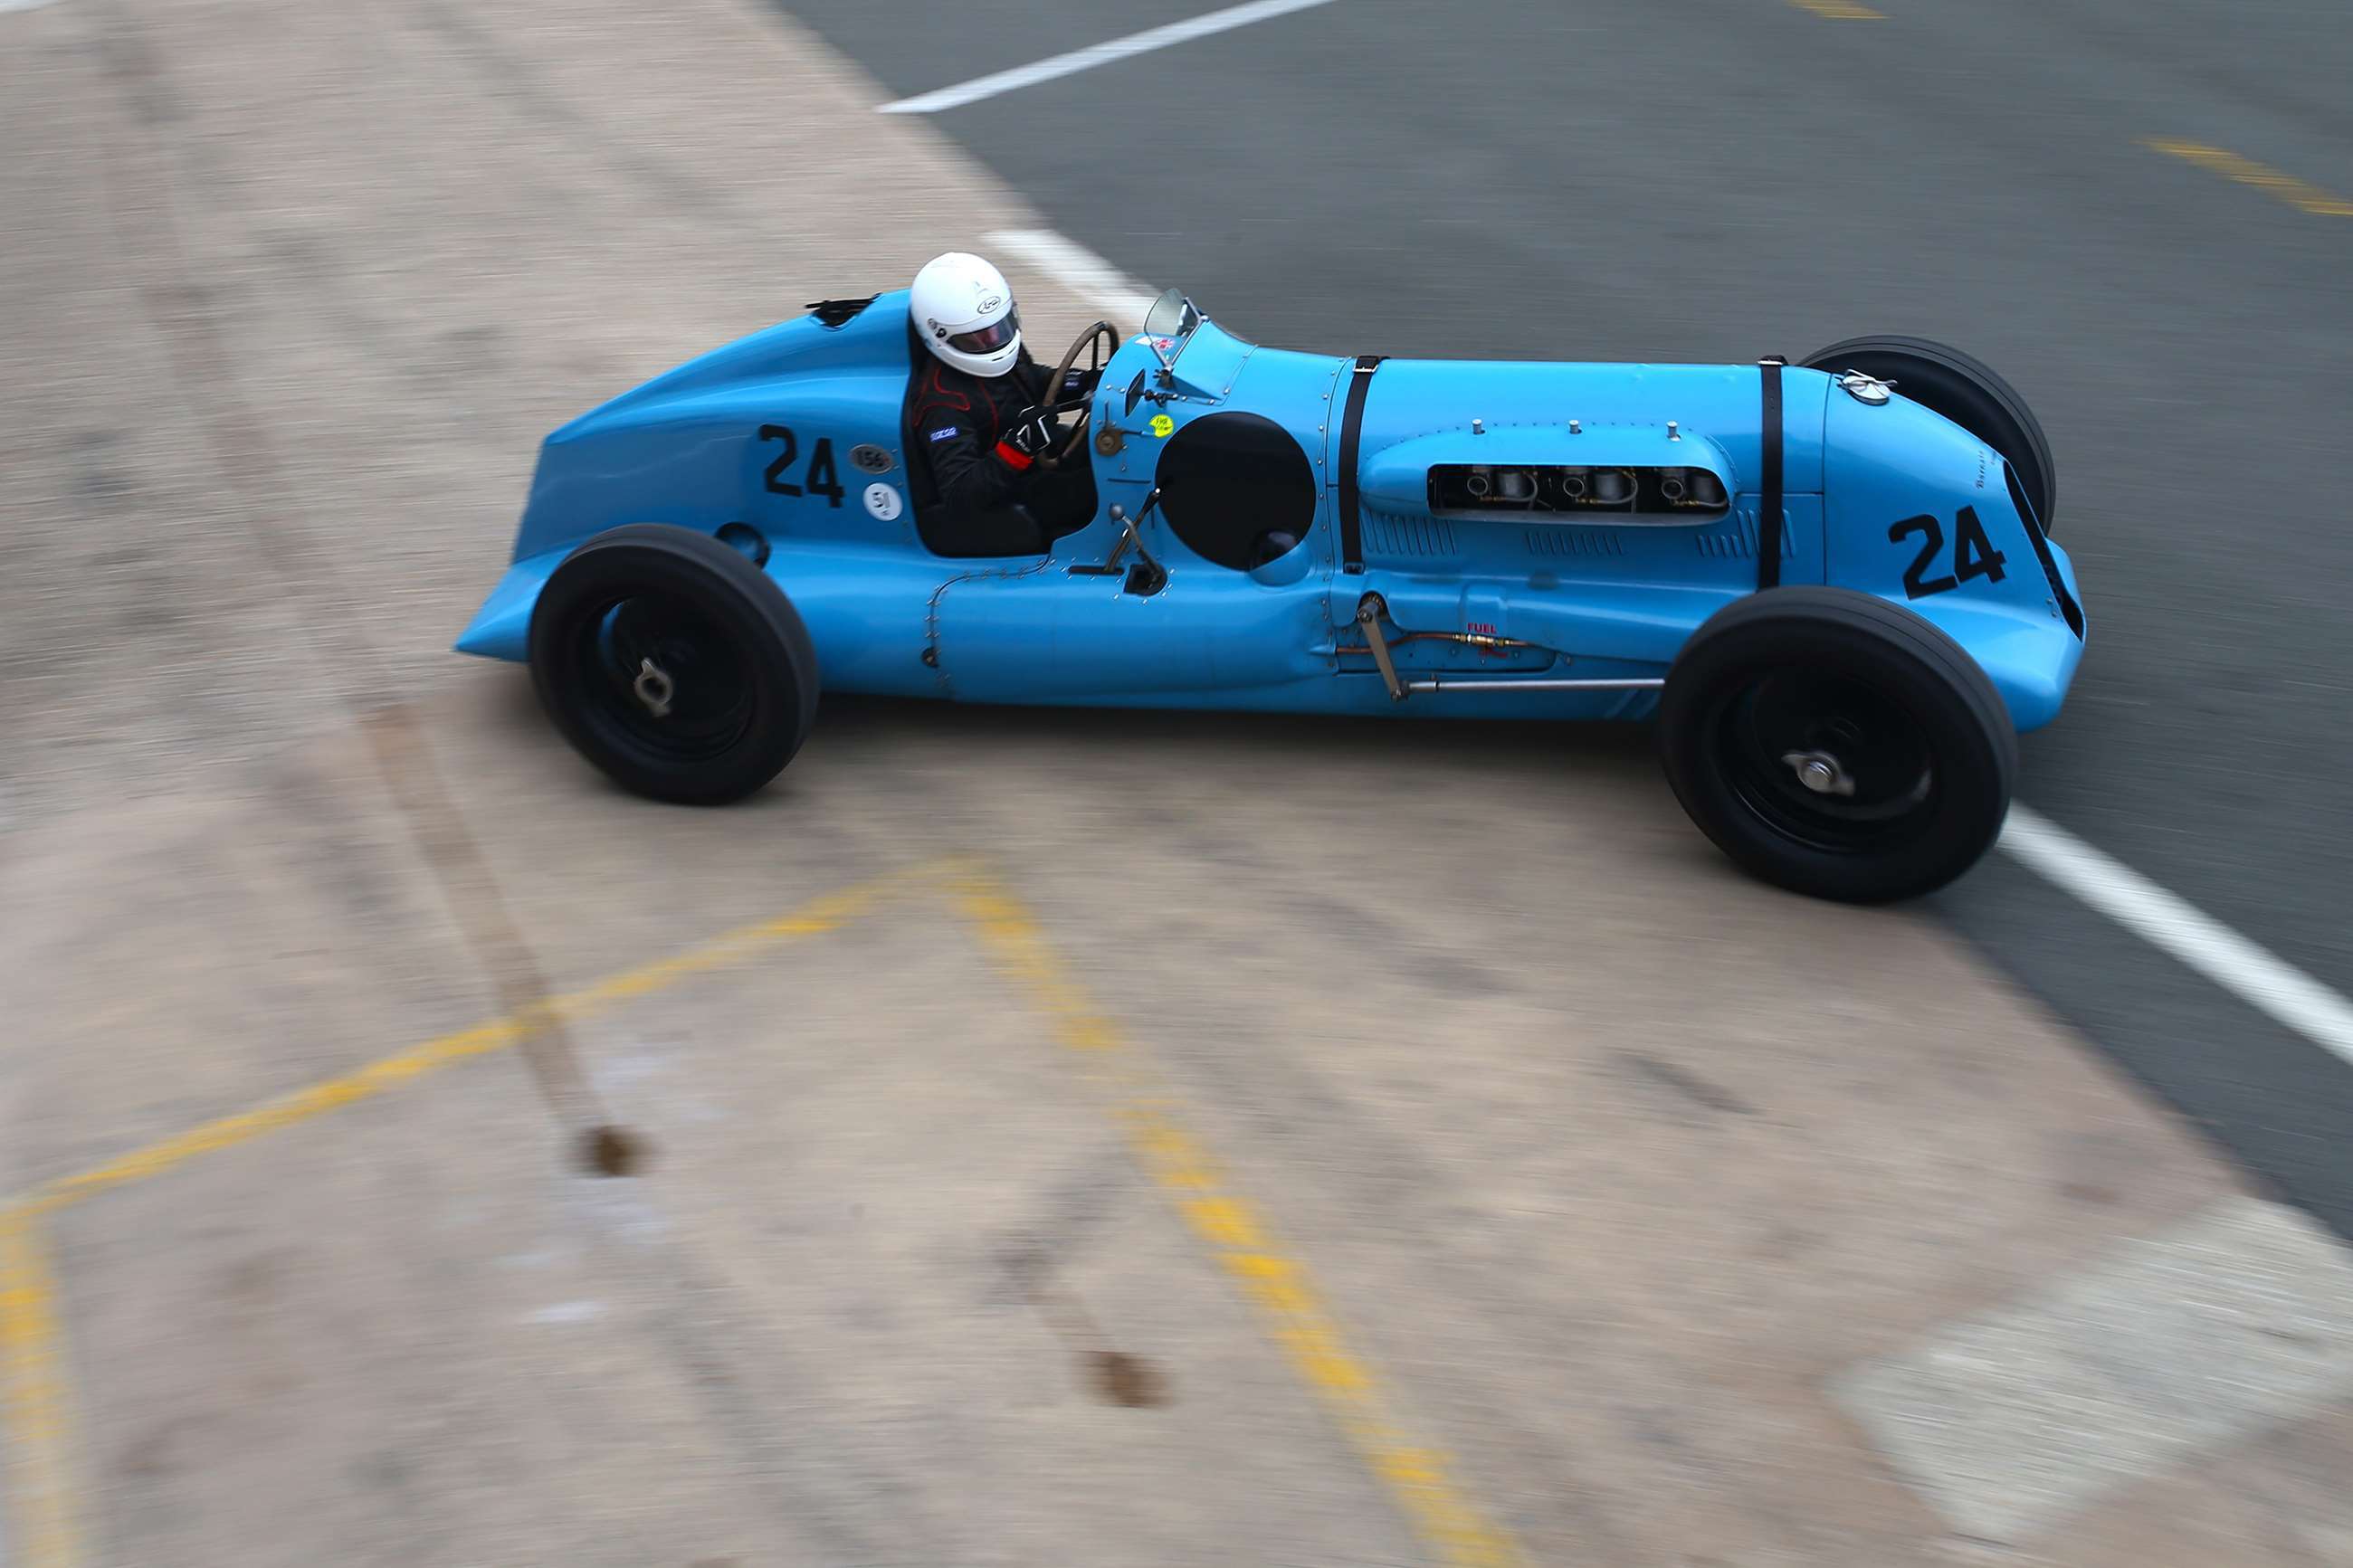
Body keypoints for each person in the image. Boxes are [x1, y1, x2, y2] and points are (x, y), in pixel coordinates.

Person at [905, 252, 1099, 556]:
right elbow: (960, 494)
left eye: (1000, 328)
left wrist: (1082, 383)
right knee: (1101, 486)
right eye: (978, 337)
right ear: (940, 335)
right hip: (1005, 494)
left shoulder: (995, 341)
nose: (993, 339)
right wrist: (1018, 447)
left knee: (1106, 444)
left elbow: (1031, 378)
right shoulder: (942, 405)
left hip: (1035, 460)